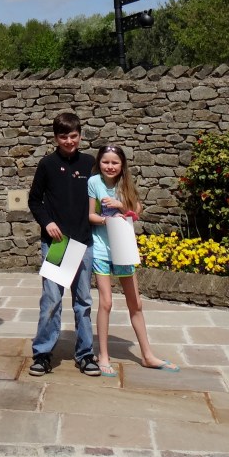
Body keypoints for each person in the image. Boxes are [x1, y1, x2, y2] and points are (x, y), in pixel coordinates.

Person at [88, 143, 179, 375]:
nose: (110, 166)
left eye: (114, 162)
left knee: (135, 303)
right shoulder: (94, 183)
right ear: (99, 163)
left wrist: (120, 205)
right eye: (105, 162)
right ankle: (103, 356)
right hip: (101, 249)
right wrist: (106, 220)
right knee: (106, 302)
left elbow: (136, 210)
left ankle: (147, 355)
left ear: (122, 165)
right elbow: (90, 215)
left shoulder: (125, 183)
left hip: (123, 248)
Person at [27, 111, 100, 376]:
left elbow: (101, 195)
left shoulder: (90, 164)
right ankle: (43, 353)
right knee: (51, 301)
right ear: (55, 138)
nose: (69, 141)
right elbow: (34, 200)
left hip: (84, 243)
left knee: (84, 302)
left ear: (80, 136)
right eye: (63, 137)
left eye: (73, 136)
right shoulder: (47, 164)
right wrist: (47, 222)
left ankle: (85, 354)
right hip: (58, 244)